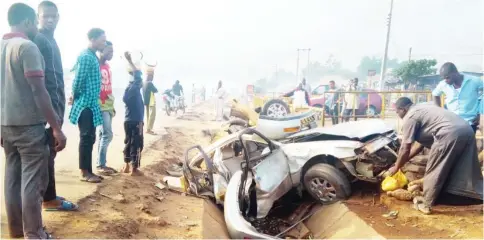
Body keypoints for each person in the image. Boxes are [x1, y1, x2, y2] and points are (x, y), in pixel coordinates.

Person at [1, 3, 67, 238]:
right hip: (28, 126)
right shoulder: (26, 47)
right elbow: (40, 91)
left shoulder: (2, 46)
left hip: (6, 126)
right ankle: (35, 233)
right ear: (29, 22)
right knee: (32, 181)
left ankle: (16, 231)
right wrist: (57, 128)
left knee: (12, 178)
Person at [388, 97, 483, 214]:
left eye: (397, 112)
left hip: (448, 134)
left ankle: (426, 204)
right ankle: (474, 195)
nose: (398, 115)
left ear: (402, 109)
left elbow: (405, 148)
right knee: (465, 167)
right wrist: (404, 161)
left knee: (435, 169)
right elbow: (418, 145)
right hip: (467, 130)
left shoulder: (410, 117)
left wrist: (396, 166)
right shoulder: (424, 108)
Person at [32, 1, 77, 212]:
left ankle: (49, 194)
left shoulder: (51, 40)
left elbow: (57, 78)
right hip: (45, 109)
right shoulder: (38, 40)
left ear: (58, 17)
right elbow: (40, 82)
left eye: (53, 16)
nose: (50, 20)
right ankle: (48, 199)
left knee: (51, 152)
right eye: (45, 16)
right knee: (47, 153)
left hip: (55, 107)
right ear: (37, 18)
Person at [69, 28, 106, 183]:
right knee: (86, 137)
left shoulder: (93, 56)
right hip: (85, 104)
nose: (104, 43)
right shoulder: (85, 56)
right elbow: (78, 80)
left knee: (90, 138)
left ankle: (89, 171)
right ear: (92, 39)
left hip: (91, 104)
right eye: (102, 40)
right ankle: (84, 172)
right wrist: (74, 95)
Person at [433, 62, 483, 132]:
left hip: (470, 122)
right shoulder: (443, 84)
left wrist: (480, 115)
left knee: (467, 142)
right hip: (452, 122)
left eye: (447, 78)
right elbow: (435, 94)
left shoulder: (474, 81)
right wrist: (439, 111)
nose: (446, 81)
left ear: (455, 72)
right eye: (444, 78)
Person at [122, 51, 144, 176]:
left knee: (128, 141)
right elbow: (138, 75)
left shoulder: (127, 89)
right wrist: (130, 61)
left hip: (127, 120)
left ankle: (126, 165)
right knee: (137, 143)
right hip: (136, 121)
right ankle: (134, 169)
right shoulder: (135, 89)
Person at [96, 40, 117, 175]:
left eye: (112, 52)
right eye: (109, 51)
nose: (111, 54)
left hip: (108, 104)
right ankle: (101, 165)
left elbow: (108, 87)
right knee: (107, 134)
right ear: (101, 50)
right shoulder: (96, 65)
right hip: (101, 105)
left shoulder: (107, 66)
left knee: (103, 134)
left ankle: (101, 163)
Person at [143, 68, 158, 134]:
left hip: (146, 102)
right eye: (152, 76)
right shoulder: (150, 83)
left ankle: (148, 129)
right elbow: (155, 90)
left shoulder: (144, 83)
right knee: (153, 115)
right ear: (150, 76)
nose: (152, 78)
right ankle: (149, 129)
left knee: (148, 116)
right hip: (151, 101)